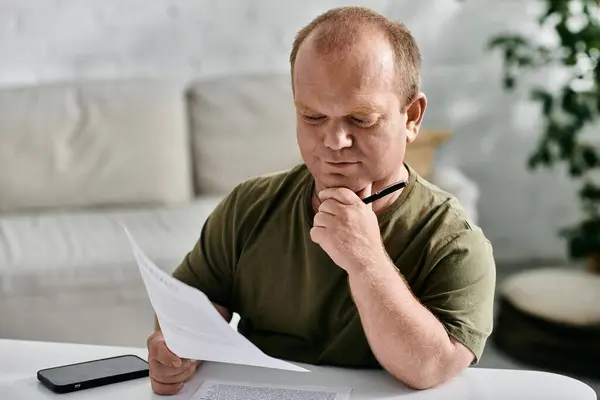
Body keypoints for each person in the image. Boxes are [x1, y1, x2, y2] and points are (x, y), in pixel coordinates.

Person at [146, 6, 496, 395]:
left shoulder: (454, 242)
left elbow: (430, 369)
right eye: (313, 117)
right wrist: (177, 348)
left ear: (411, 117)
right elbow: (190, 308)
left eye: (361, 119)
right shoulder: (249, 207)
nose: (333, 142)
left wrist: (365, 259)